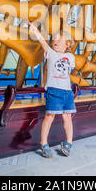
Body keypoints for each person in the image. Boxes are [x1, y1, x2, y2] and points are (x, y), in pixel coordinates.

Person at [29, 23, 76, 158]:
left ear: (67, 44)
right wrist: (36, 32)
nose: (55, 41)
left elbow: (68, 73)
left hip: (67, 92)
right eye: (54, 39)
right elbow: (43, 42)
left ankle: (68, 143)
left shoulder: (71, 58)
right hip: (54, 91)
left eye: (59, 39)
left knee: (67, 116)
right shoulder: (50, 53)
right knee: (49, 116)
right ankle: (43, 143)